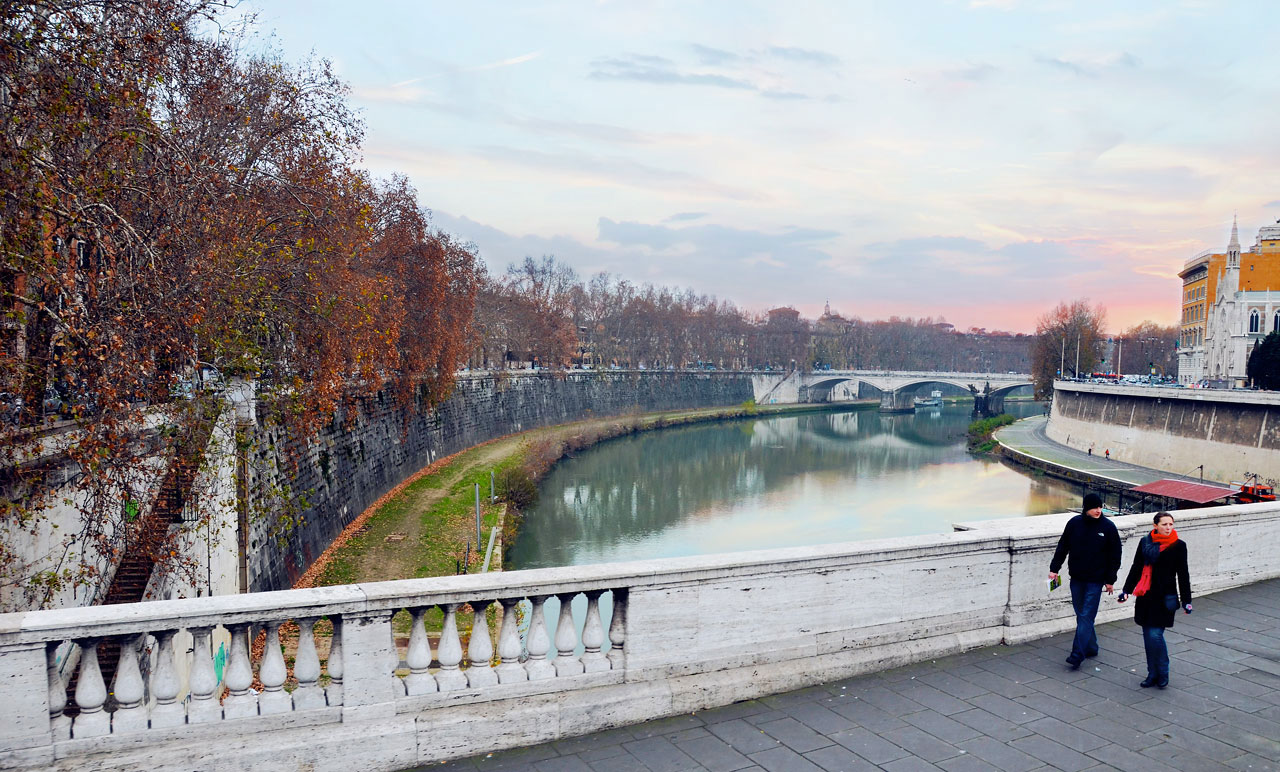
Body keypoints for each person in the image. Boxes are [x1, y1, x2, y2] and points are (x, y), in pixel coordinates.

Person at [1048, 492, 1123, 669]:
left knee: (1086, 615)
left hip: (1096, 581)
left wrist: (1110, 579)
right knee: (1082, 615)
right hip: (1076, 578)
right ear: (1086, 508)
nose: (1098, 510)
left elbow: (1115, 556)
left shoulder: (1108, 527)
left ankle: (1077, 654)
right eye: (1094, 507)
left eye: (1100, 507)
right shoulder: (1074, 524)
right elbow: (1063, 546)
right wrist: (1054, 569)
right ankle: (1091, 647)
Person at [1118, 512, 1192, 688]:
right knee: (1148, 638)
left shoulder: (1179, 546)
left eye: (1171, 524)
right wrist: (1126, 590)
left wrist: (1187, 600)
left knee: (1155, 635)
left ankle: (1163, 672)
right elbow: (1136, 568)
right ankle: (1152, 674)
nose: (1168, 528)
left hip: (1165, 598)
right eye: (1164, 524)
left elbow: (1183, 574)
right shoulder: (1145, 543)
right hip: (1146, 596)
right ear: (1155, 526)